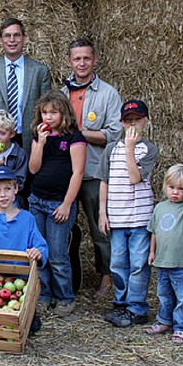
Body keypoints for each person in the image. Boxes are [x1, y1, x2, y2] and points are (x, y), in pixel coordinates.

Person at [62, 39, 122, 299]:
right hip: (66, 172)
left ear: (94, 60)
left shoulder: (108, 94)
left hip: (95, 172)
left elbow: (115, 133)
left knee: (101, 231)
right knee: (64, 229)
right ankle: (66, 281)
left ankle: (107, 279)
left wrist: (78, 134)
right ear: (69, 62)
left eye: (86, 58)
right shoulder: (62, 94)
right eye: (77, 59)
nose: (82, 63)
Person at [97, 100, 158, 328]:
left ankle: (136, 308)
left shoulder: (149, 150)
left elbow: (135, 177)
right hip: (118, 217)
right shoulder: (111, 149)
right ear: (122, 123)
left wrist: (130, 148)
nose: (133, 124)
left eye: (137, 120)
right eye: (128, 120)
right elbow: (104, 181)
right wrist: (103, 213)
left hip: (140, 219)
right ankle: (121, 303)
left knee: (138, 264)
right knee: (118, 263)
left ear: (146, 122)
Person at [29, 90, 86, 317]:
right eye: (44, 112)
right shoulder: (39, 136)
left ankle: (65, 297)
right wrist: (40, 144)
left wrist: (66, 204)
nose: (48, 117)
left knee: (58, 254)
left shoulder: (74, 138)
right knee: (40, 253)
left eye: (54, 112)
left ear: (64, 113)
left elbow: (78, 173)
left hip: (58, 203)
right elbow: (33, 169)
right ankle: (43, 295)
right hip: (37, 201)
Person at [0, 17, 52, 155]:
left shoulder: (40, 71)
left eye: (16, 35)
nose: (12, 40)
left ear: (24, 38)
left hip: (28, 139)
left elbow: (47, 110)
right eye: (7, 36)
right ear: (1, 40)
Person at [146, 164, 183, 345]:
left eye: (181, 189)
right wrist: (152, 252)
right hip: (163, 261)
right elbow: (154, 232)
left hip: (182, 263)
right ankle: (165, 321)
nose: (175, 192)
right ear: (165, 186)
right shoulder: (160, 208)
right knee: (164, 294)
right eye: (171, 187)